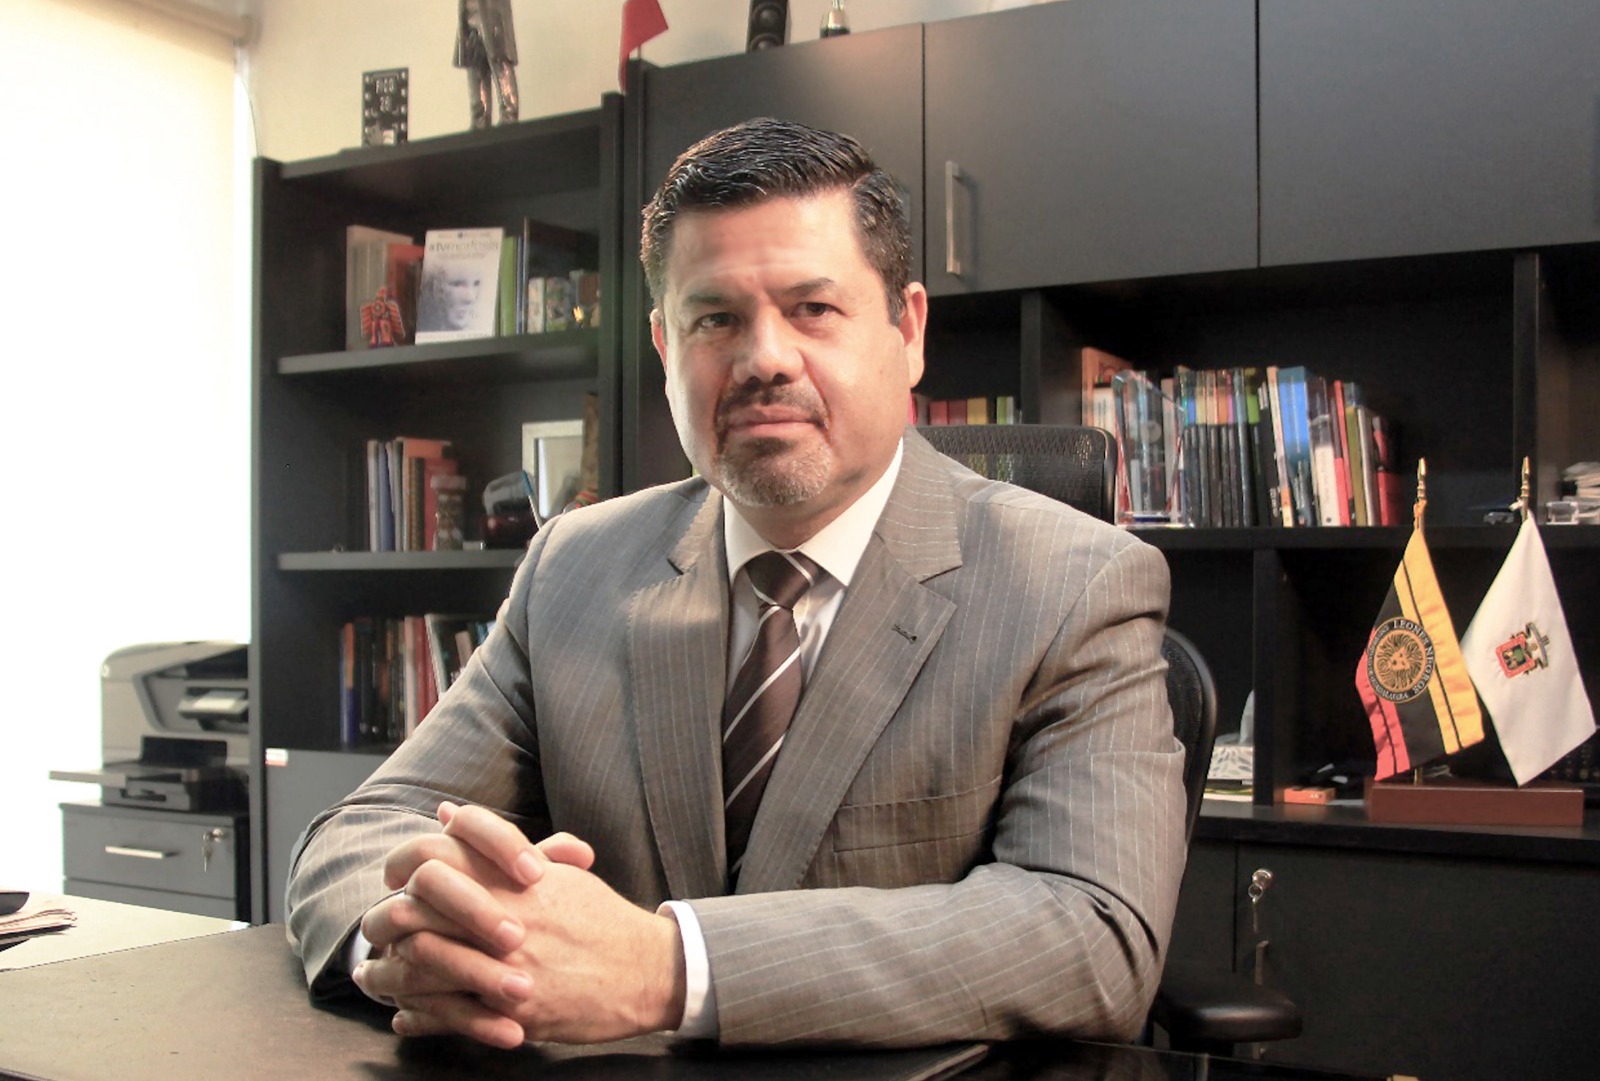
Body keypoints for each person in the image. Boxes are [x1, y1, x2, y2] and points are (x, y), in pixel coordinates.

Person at [285, 117, 1186, 1050]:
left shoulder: (1074, 584)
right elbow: (359, 834)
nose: (764, 359)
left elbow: (1092, 930)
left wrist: (668, 966)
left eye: (813, 308)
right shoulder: (575, 568)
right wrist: (428, 946)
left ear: (909, 330)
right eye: (714, 318)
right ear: (664, 347)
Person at [455, 0, 518, 129]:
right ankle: (480, 118)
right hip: (470, 13)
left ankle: (509, 113)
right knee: (475, 62)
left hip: (492, 10)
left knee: (499, 58)